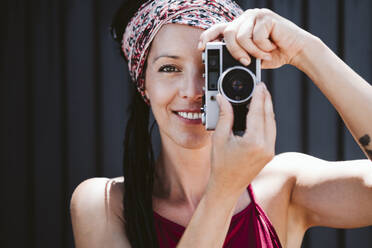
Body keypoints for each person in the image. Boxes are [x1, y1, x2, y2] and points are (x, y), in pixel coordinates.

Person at [70, 0, 372, 247]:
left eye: (210, 67)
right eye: (170, 68)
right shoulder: (104, 205)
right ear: (144, 84)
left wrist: (307, 51)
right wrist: (224, 189)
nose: (192, 90)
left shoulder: (285, 186)